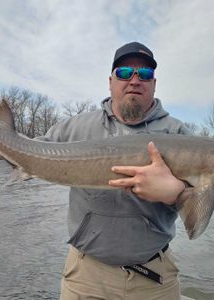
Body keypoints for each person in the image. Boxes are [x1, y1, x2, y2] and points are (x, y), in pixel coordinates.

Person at [42, 42, 190, 300]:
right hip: (85, 276)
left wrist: (176, 193)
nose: (135, 80)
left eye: (144, 74)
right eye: (124, 73)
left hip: (156, 279)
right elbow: (29, 155)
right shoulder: (74, 128)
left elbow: (206, 197)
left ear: (154, 84)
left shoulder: (178, 134)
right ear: (111, 81)